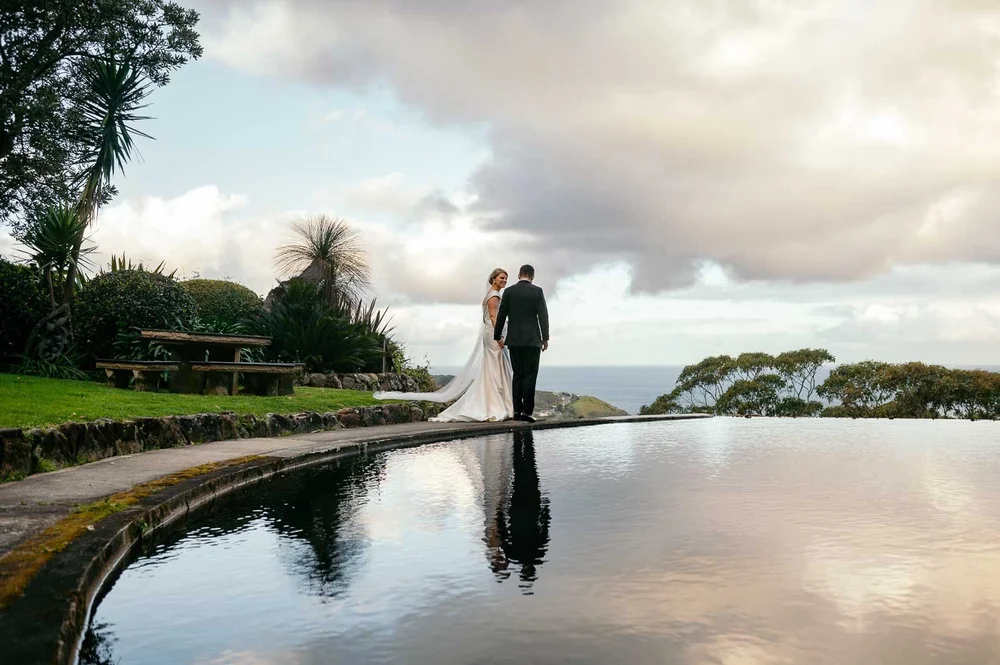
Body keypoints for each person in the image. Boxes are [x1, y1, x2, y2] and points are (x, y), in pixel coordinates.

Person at [373, 268, 515, 422]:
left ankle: (494, 403)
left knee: (493, 368)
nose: (504, 280)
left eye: (506, 278)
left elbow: (486, 318)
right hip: (493, 334)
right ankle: (496, 405)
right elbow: (493, 317)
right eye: (501, 277)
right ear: (493, 279)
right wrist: (499, 335)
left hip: (489, 333)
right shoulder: (494, 296)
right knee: (495, 368)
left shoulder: (489, 295)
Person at [494, 264, 549, 423]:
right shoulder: (537, 291)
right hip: (532, 340)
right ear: (532, 277)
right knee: (530, 376)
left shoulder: (509, 292)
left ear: (519, 275)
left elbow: (501, 315)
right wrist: (545, 338)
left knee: (517, 375)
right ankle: (527, 412)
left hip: (514, 340)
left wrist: (498, 336)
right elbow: (543, 316)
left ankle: (517, 411)